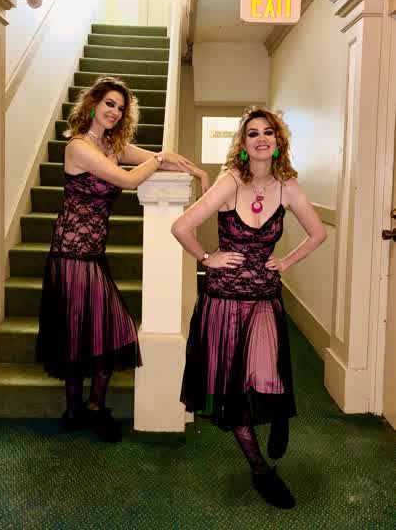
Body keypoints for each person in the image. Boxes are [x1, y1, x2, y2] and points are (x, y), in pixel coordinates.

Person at [36, 76, 209, 442]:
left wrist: (194, 170)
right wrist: (159, 159)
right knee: (84, 331)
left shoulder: (112, 146)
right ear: (93, 105)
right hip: (70, 253)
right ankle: (78, 409)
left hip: (93, 254)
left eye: (120, 107)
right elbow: (129, 181)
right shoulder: (79, 147)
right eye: (109, 104)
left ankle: (90, 408)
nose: (115, 111)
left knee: (102, 329)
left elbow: (161, 160)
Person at [171, 107, 326, 509]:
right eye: (253, 133)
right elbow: (181, 226)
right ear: (243, 143)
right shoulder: (230, 182)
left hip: (265, 298)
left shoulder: (288, 187)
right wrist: (208, 258)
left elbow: (318, 233)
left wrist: (286, 262)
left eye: (268, 132)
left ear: (278, 141)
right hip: (224, 300)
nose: (261, 139)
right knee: (234, 388)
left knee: (268, 372)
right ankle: (260, 471)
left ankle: (278, 417)